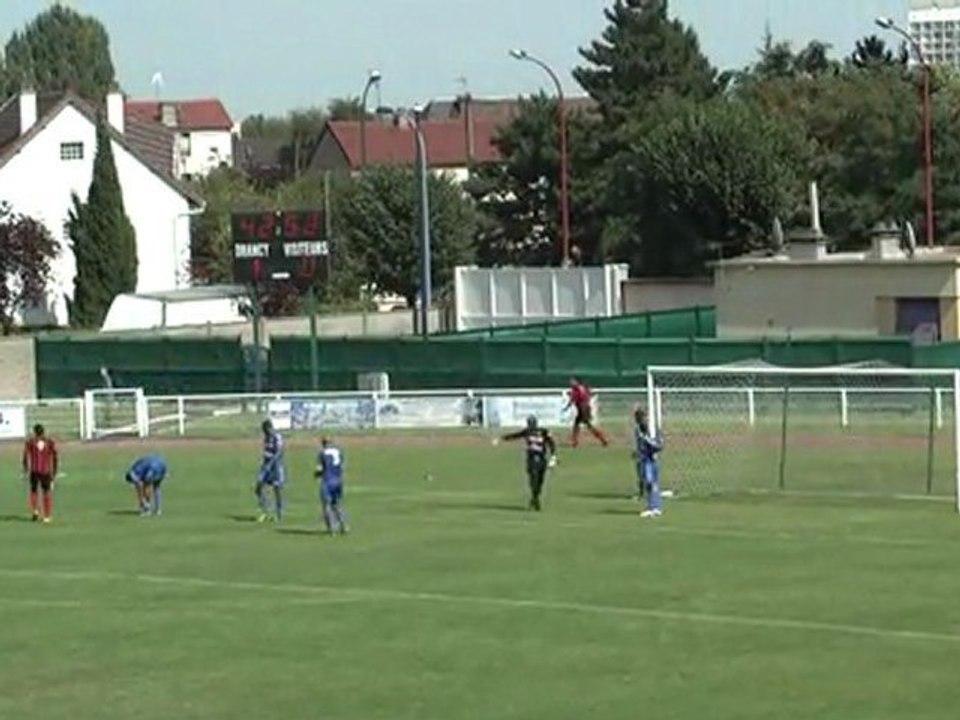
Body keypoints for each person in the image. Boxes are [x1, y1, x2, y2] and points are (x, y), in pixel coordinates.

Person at [499, 415, 557, 511]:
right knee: (533, 480)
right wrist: (502, 438)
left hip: (542, 459)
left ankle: (535, 498)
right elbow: (515, 436)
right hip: (531, 459)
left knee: (540, 482)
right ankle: (535, 500)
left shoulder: (543, 431)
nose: (530, 425)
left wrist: (553, 456)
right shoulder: (527, 432)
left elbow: (551, 443)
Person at [22, 424, 58, 523]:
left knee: (34, 491)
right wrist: (54, 472)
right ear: (43, 431)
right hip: (45, 471)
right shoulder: (49, 442)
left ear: (34, 432)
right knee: (46, 493)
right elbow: (55, 457)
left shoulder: (30, 442)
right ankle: (47, 516)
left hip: (34, 471)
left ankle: (35, 510)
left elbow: (25, 456)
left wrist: (25, 470)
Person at [634, 407, 664, 519]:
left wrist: (647, 440)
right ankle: (653, 507)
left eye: (641, 417)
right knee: (649, 482)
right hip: (644, 458)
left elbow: (659, 445)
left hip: (650, 459)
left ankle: (654, 508)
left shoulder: (652, 429)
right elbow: (640, 444)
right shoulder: (638, 429)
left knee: (652, 482)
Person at [315, 437, 348, 535]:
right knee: (337, 504)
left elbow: (319, 469)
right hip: (338, 481)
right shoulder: (338, 452)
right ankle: (344, 526)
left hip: (327, 481)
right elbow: (342, 466)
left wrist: (316, 475)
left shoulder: (322, 454)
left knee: (326, 506)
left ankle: (332, 529)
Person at [564, 377, 608, 448]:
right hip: (583, 409)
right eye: (570, 382)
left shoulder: (577, 390)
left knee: (586, 426)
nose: (571, 383)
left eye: (572, 381)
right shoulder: (581, 388)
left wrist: (567, 407)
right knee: (578, 425)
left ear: (576, 382)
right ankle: (574, 442)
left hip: (583, 410)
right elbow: (587, 395)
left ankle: (602, 439)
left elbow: (574, 400)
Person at [256, 419, 286, 522]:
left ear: (269, 428)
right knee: (259, 487)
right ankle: (265, 510)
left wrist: (270, 463)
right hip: (266, 466)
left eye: (265, 430)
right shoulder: (266, 438)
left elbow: (279, 452)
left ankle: (279, 514)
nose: (264, 432)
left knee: (277, 491)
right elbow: (266, 451)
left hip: (276, 467)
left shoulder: (277, 437)